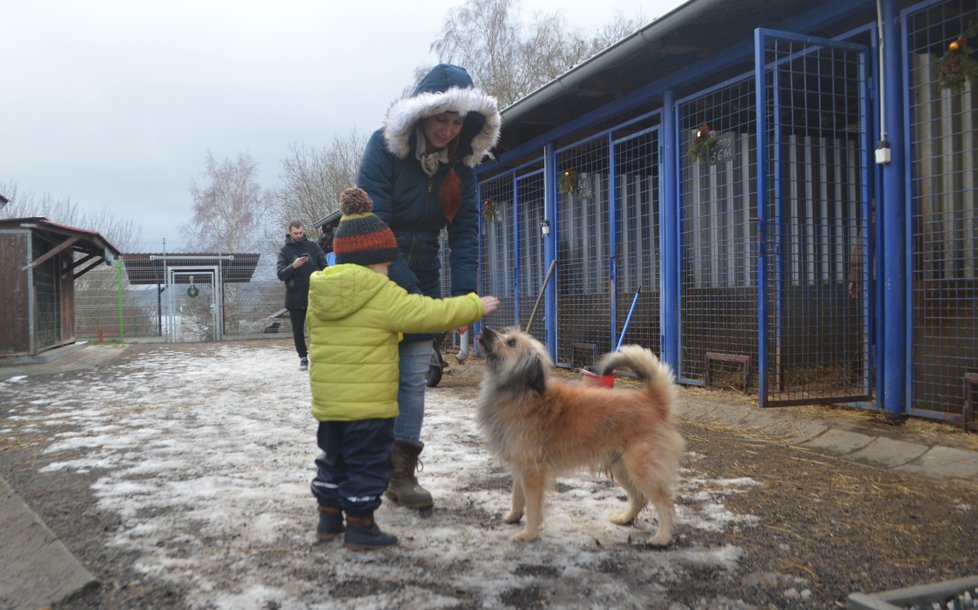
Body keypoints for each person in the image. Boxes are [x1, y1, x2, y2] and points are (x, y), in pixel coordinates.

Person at [307, 187, 498, 550]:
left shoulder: (321, 291)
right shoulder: (382, 293)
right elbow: (428, 313)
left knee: (334, 461)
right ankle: (361, 526)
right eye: (385, 263)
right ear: (372, 260)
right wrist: (472, 306)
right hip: (369, 409)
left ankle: (328, 518)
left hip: (330, 408)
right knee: (368, 466)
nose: (387, 270)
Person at [357, 63, 501, 509]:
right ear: (422, 114)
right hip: (377, 269)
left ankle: (400, 476)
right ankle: (363, 463)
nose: (449, 129)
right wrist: (409, 290)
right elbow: (372, 224)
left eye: (458, 122)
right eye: (442, 119)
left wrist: (462, 299)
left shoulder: (461, 167)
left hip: (426, 270)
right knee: (376, 374)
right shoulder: (383, 151)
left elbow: (463, 232)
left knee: (415, 373)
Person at [276, 221, 324, 370]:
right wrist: (294, 266)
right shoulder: (284, 251)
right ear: (289, 232)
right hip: (295, 298)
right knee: (298, 330)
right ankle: (303, 357)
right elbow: (280, 274)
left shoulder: (314, 247)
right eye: (295, 233)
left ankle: (320, 355)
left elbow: (325, 267)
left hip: (315, 296)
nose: (298, 235)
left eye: (301, 233)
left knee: (318, 328)